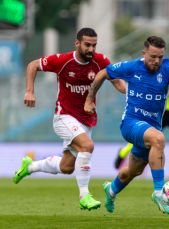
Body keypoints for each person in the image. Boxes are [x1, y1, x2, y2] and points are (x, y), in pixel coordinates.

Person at [84, 36, 169, 215]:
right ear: (144, 53)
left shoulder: (168, 67)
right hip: (130, 123)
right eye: (153, 56)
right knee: (158, 139)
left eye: (160, 57)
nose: (156, 61)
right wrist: (89, 98)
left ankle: (111, 190)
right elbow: (103, 73)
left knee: (132, 171)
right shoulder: (132, 67)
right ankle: (159, 193)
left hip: (151, 126)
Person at [13, 27, 125, 210]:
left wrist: (135, 92)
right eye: (87, 45)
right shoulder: (63, 61)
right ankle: (84, 196)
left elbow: (118, 83)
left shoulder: (101, 61)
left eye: (94, 45)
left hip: (86, 119)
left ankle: (30, 166)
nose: (91, 49)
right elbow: (32, 65)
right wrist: (29, 91)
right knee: (87, 146)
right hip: (63, 116)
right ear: (77, 43)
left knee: (66, 167)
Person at [114, 45, 169, 184]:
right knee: (148, 139)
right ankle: (123, 153)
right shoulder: (165, 69)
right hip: (158, 113)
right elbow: (166, 92)